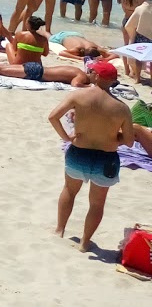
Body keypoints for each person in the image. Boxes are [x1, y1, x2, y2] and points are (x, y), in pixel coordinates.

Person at [50, 61, 133, 252]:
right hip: (106, 159)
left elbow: (53, 116)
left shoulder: (78, 96)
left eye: (91, 71)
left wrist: (66, 137)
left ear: (97, 76)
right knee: (96, 203)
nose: (89, 73)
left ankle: (59, 230)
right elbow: (129, 141)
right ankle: (85, 242)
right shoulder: (121, 108)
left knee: (69, 191)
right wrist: (113, 136)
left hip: (79, 152)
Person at [0, 17, 87, 84]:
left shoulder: (21, 34)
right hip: (36, 68)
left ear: (29, 25)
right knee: (0, 68)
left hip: (32, 68)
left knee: (1, 67)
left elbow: (14, 48)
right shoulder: (43, 39)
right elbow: (46, 54)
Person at [123, 0, 152, 85]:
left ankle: (137, 78)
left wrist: (132, 34)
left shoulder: (140, 8)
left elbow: (129, 24)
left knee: (138, 58)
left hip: (141, 36)